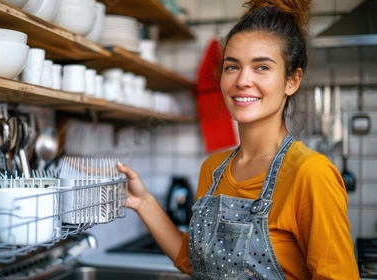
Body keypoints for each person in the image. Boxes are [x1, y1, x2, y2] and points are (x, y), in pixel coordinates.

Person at [116, 0, 360, 278]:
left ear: (292, 81)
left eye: (262, 68)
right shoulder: (213, 169)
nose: (242, 80)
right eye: (232, 67)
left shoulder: (310, 173)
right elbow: (194, 263)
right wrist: (143, 201)